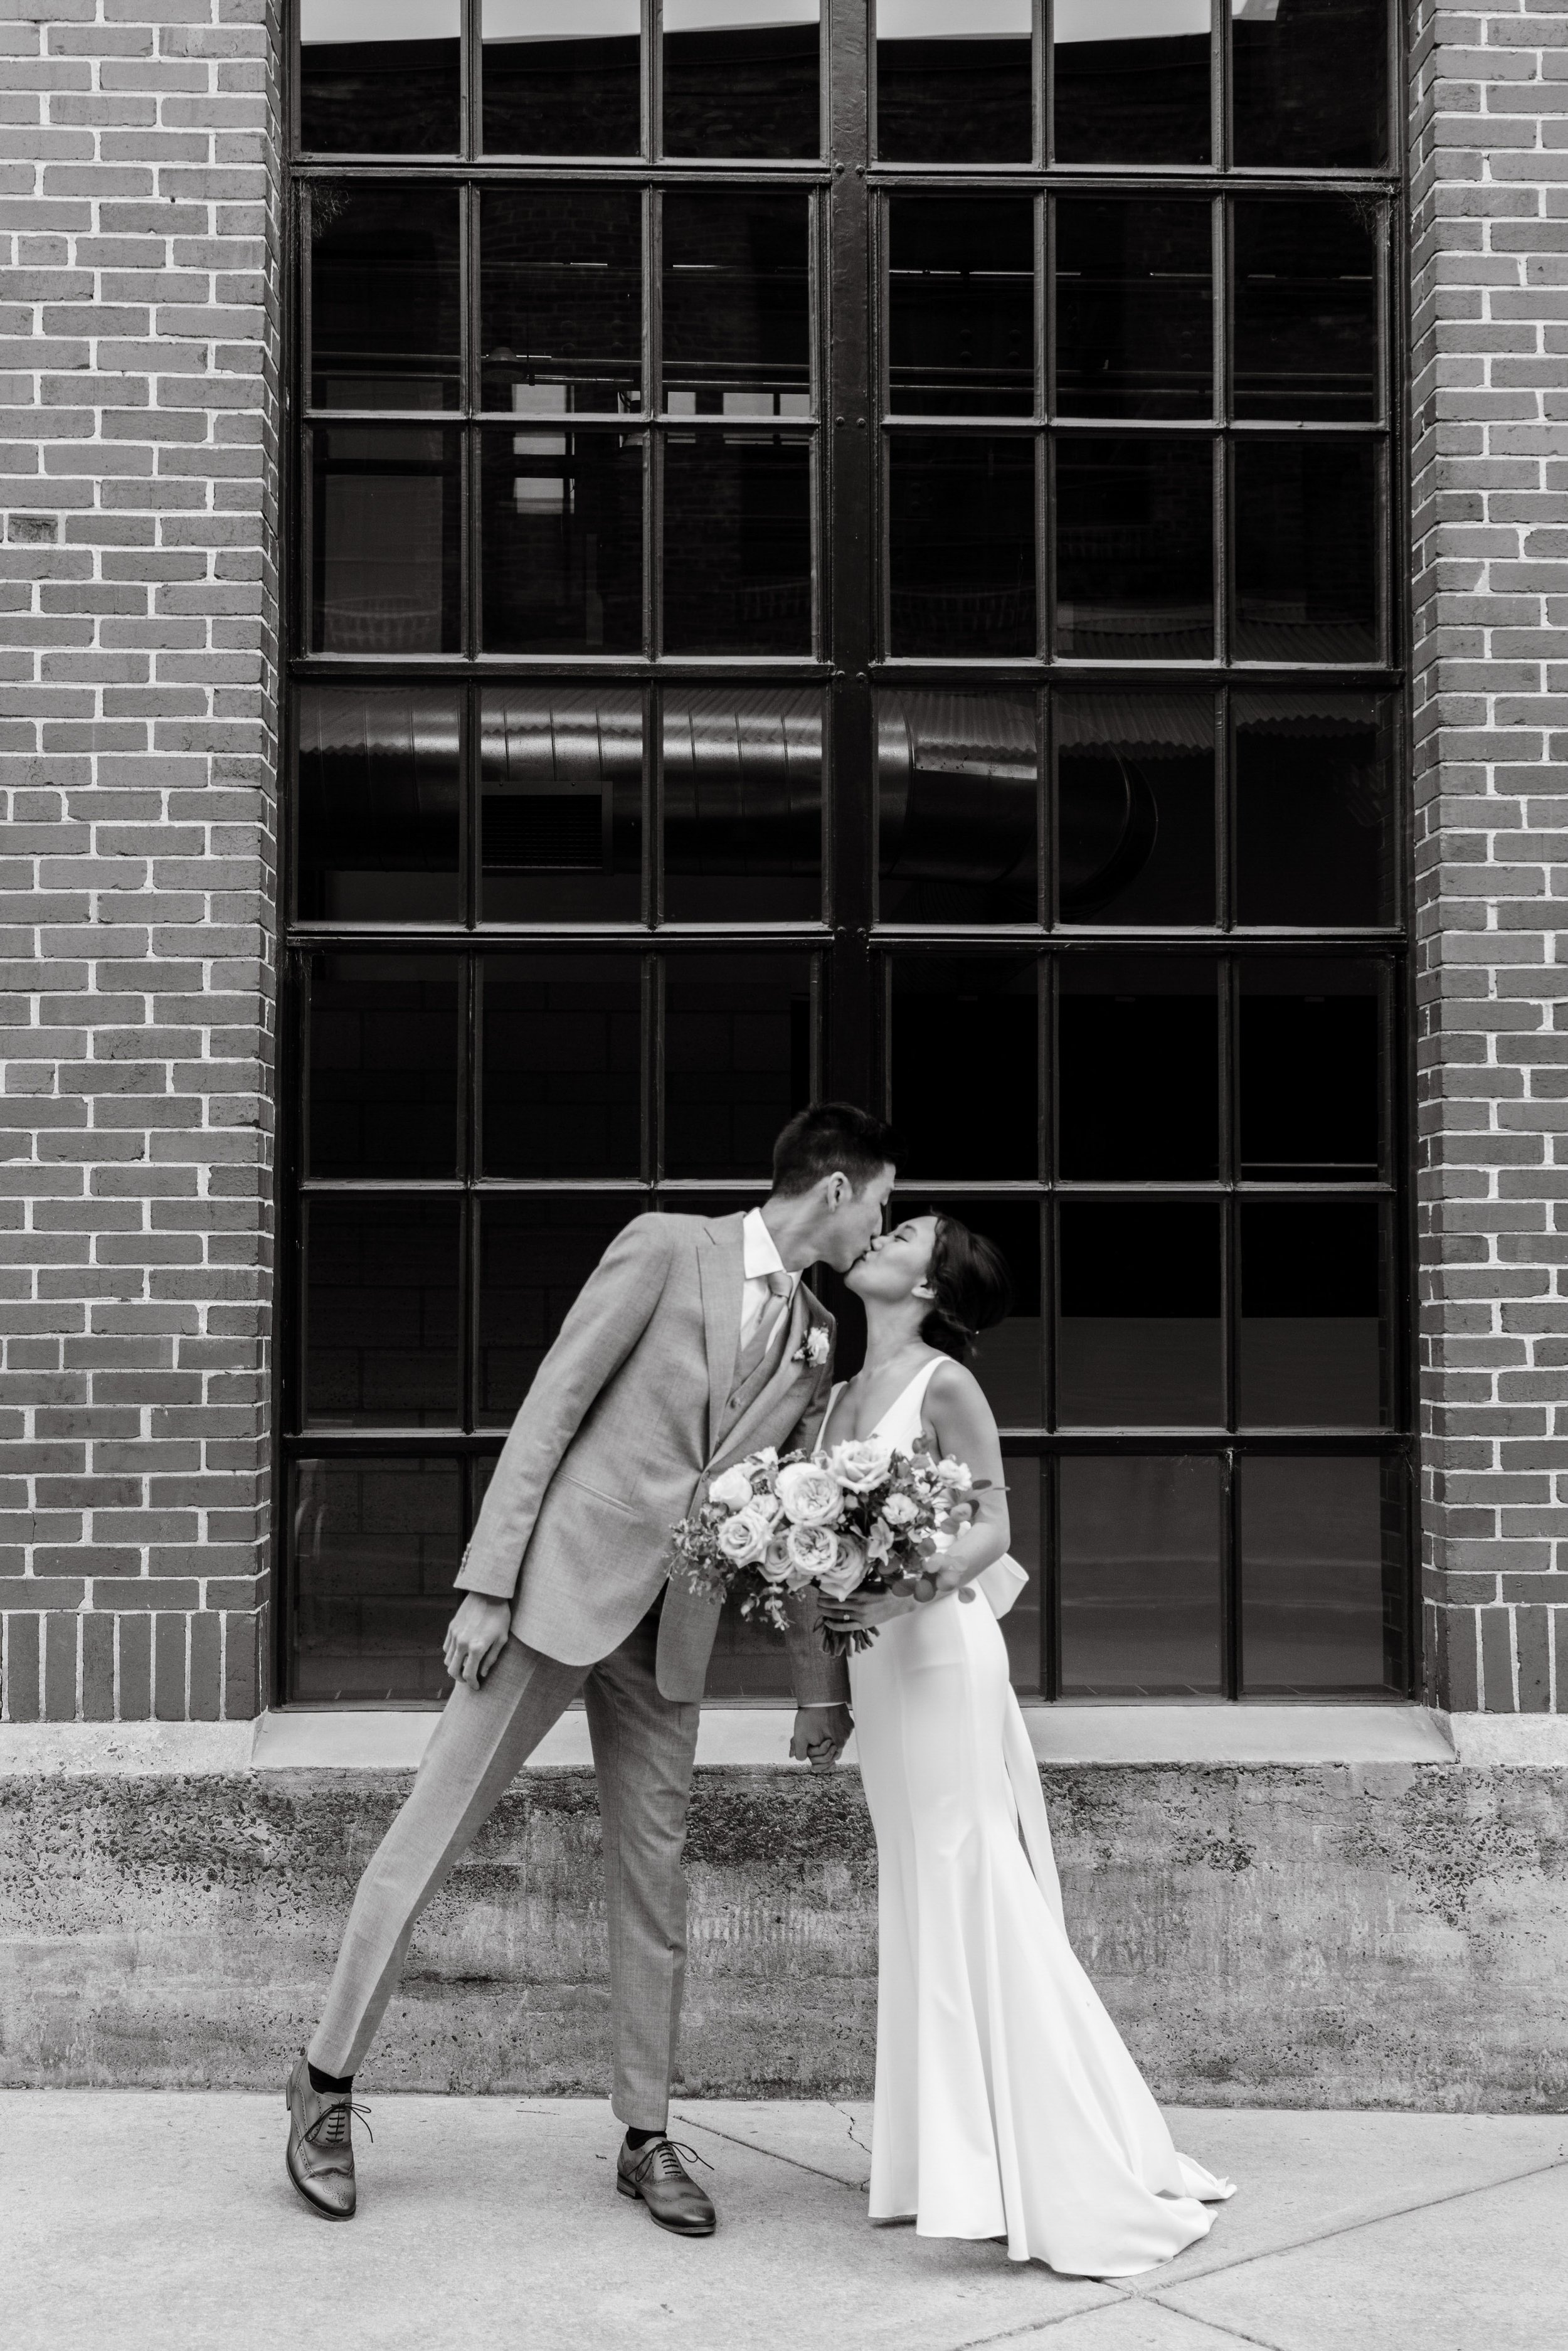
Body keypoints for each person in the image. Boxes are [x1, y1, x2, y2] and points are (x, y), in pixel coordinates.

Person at [284, 1102, 899, 2233]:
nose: (881, 1225)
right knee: (429, 1837)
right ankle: (325, 2086)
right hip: (556, 1594)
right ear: (835, 1191)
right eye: (882, 1202)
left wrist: (825, 1681)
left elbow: (785, 1511)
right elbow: (553, 1407)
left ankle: (647, 2133)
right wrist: (486, 1581)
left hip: (675, 1632)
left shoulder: (820, 1338)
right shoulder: (668, 1247)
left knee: (655, 1887)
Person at [818, 1212, 1235, 2276]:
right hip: (874, 1663)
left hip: (940, 1652)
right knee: (921, 1886)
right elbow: (818, 1545)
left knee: (972, 1876)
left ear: (929, 1286)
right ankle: (949, 2163)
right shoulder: (833, 1394)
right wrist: (824, 1670)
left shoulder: (945, 1383)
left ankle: (1053, 2159)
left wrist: (901, 1588)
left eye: (903, 1232)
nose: (878, 1236)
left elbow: (994, 1528)